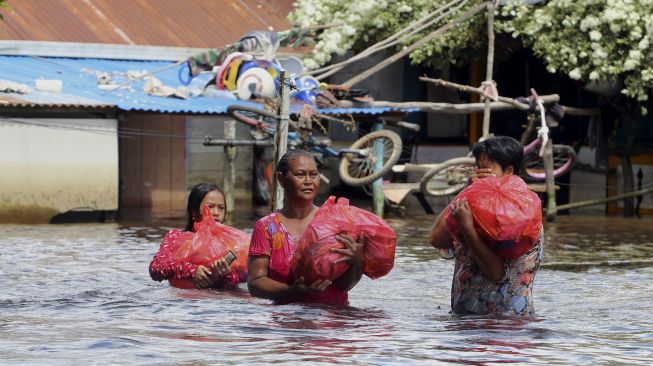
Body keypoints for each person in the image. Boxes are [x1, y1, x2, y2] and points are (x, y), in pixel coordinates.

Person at [429, 136, 544, 315]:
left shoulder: (520, 216)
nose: (479, 175)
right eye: (478, 169)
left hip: (506, 324)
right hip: (466, 321)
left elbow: (496, 272)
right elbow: (436, 238)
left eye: (486, 171)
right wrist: (467, 190)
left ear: (509, 172)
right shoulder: (472, 208)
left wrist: (467, 229)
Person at [247, 150, 365, 306]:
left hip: (333, 320)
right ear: (281, 179)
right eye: (300, 175)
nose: (308, 181)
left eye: (313, 175)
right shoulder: (267, 227)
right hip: (286, 321)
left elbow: (344, 286)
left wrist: (357, 262)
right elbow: (255, 283)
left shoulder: (335, 221)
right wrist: (291, 291)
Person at [149, 183, 243, 289]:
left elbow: (235, 284)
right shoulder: (175, 236)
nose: (216, 213)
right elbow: (156, 268)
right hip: (180, 303)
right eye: (210, 207)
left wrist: (227, 274)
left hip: (218, 302)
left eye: (221, 208)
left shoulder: (230, 244)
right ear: (194, 211)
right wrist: (192, 270)